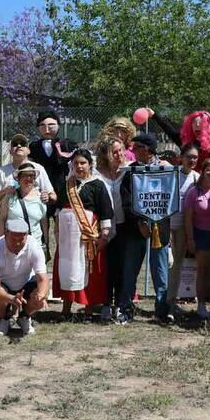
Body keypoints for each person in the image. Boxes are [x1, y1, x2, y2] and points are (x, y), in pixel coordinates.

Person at [117, 133, 173, 324]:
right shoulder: (131, 171)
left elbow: (170, 198)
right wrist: (140, 221)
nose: (133, 150)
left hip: (160, 227)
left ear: (148, 149)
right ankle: (125, 308)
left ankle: (162, 310)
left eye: (137, 147)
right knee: (130, 270)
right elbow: (126, 200)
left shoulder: (166, 169)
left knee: (160, 270)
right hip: (135, 228)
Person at [53, 149, 114, 319]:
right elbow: (58, 209)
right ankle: (66, 309)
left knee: (88, 271)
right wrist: (58, 232)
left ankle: (88, 309)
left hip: (87, 235)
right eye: (76, 163)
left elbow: (106, 212)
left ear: (90, 164)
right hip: (67, 239)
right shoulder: (66, 185)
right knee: (67, 269)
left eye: (83, 163)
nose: (79, 166)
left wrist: (104, 235)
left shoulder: (98, 184)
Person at [0, 219, 50, 337]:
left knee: (40, 295)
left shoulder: (34, 245)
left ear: (27, 236)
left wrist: (41, 296)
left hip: (26, 282)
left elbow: (43, 279)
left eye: (21, 240)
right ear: (5, 235)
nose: (17, 243)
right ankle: (3, 318)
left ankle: (25, 317)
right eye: (13, 239)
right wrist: (12, 298)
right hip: (3, 284)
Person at [95, 136, 130, 322]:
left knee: (123, 267)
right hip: (105, 227)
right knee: (107, 267)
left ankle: (121, 304)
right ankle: (106, 302)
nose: (119, 155)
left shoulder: (130, 169)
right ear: (106, 155)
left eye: (121, 150)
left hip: (125, 226)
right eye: (114, 152)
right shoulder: (97, 173)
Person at [184, 157, 210, 320]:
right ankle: (201, 305)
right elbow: (188, 218)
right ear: (203, 172)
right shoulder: (194, 192)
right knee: (203, 270)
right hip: (201, 234)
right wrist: (190, 239)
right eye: (209, 170)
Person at [31, 112, 77, 248]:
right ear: (38, 127)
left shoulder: (67, 144)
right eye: (43, 125)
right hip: (40, 193)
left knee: (62, 230)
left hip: (62, 191)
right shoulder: (32, 147)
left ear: (58, 126)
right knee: (40, 229)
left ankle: (61, 258)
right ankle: (43, 255)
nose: (47, 129)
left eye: (51, 125)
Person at [167, 143, 200, 316]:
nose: (192, 160)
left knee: (177, 264)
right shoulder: (171, 173)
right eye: (189, 157)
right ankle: (161, 301)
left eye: (195, 157)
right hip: (165, 224)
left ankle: (171, 301)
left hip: (181, 227)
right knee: (164, 263)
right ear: (181, 157)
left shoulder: (197, 178)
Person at [0, 162, 47, 244]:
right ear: (18, 179)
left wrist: (46, 243)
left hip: (34, 244)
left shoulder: (41, 197)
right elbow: (2, 220)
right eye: (25, 175)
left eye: (31, 175)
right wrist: (0, 242)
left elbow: (44, 221)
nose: (28, 178)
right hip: (13, 244)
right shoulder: (10, 196)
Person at [0, 134, 54, 201]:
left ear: (29, 151)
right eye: (15, 144)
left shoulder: (38, 169)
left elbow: (52, 195)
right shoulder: (1, 171)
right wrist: (4, 191)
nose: (19, 146)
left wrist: (47, 196)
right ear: (10, 151)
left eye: (23, 144)